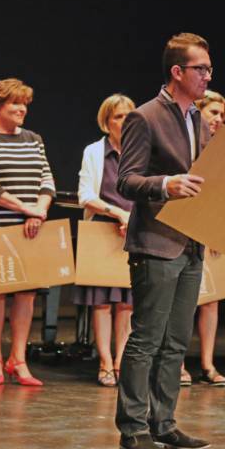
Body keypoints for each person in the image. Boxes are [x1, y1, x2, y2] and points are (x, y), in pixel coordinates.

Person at [115, 32, 212, 449]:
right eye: (200, 69)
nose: (207, 76)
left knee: (176, 342)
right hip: (156, 243)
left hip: (190, 242)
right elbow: (126, 180)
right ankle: (133, 427)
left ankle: (164, 422)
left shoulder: (199, 120)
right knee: (146, 340)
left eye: (209, 69)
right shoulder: (145, 116)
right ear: (177, 71)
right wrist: (166, 184)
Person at [0, 78, 55, 386]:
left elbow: (47, 180)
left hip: (31, 228)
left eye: (25, 104)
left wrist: (39, 210)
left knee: (27, 293)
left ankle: (18, 359)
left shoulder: (33, 139)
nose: (22, 109)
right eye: (16, 103)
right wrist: (26, 208)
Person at [178, 90, 225, 388]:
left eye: (222, 114)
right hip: (185, 226)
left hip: (213, 228)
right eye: (213, 113)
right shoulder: (186, 141)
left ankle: (207, 363)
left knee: (211, 300)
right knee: (185, 299)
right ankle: (178, 363)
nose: (219, 119)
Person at [75, 94, 136, 387]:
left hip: (132, 231)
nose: (124, 122)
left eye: (128, 116)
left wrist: (132, 219)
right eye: (118, 117)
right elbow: (85, 195)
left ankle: (121, 361)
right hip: (102, 229)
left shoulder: (141, 152)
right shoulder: (94, 151)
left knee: (126, 304)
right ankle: (104, 362)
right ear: (106, 122)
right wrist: (118, 213)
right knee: (101, 303)